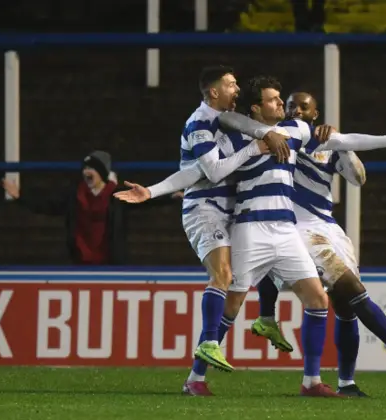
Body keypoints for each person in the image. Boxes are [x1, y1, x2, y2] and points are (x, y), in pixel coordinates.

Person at [198, 75, 386, 397]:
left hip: (302, 228)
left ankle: (321, 381)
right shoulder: (239, 135)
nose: (286, 106)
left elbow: (350, 151)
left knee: (326, 300)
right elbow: (221, 130)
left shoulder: (301, 134)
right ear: (257, 107)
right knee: (236, 300)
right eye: (279, 101)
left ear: (314, 113)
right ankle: (197, 375)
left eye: (292, 103)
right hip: (262, 226)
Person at [113, 65, 291, 396]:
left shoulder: (229, 120)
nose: (237, 88)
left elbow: (192, 170)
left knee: (236, 296)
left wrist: (151, 190)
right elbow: (210, 170)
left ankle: (196, 377)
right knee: (222, 274)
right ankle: (210, 341)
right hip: (204, 210)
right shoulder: (199, 124)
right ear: (214, 91)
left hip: (233, 212)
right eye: (231, 84)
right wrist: (255, 147)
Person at [1, 150, 177, 265]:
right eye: (85, 168)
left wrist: (171, 196)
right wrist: (21, 197)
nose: (86, 172)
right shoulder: (75, 196)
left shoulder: (116, 195)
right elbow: (48, 206)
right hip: (80, 263)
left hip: (110, 264)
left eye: (91, 168)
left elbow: (145, 199)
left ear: (101, 173)